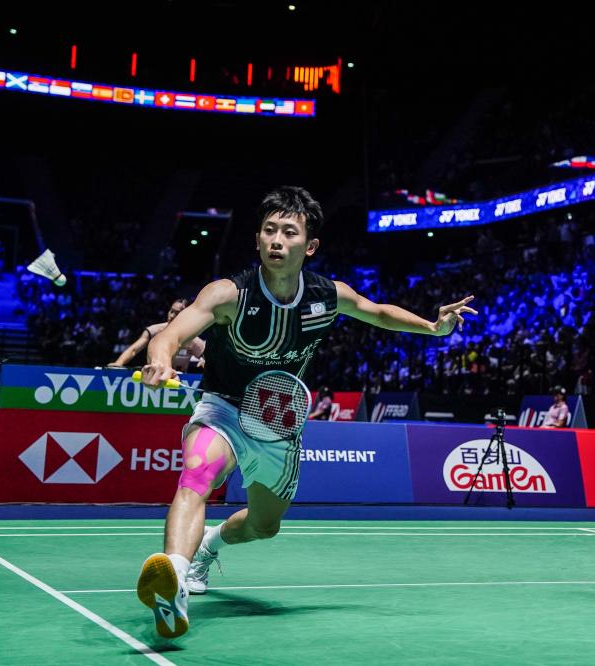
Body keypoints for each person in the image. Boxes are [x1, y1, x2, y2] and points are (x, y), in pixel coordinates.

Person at [135, 186, 476, 638]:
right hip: (224, 408)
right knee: (197, 473)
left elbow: (377, 312)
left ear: (309, 246)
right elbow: (171, 333)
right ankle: (174, 580)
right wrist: (160, 359)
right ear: (257, 239)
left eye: (289, 232)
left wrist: (433, 328)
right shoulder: (229, 294)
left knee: (264, 526)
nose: (277, 240)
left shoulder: (326, 296)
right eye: (269, 230)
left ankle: (209, 545)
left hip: (279, 423)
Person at [109, 299, 206, 372]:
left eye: (177, 313)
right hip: (154, 380)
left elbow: (207, 358)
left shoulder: (192, 338)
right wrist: (119, 363)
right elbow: (134, 350)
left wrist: (205, 362)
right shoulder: (153, 331)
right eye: (171, 311)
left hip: (179, 384)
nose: (172, 316)